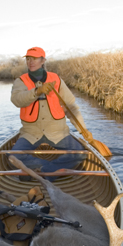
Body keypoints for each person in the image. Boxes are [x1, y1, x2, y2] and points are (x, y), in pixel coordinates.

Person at [10, 46, 92, 179]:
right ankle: (52, 171)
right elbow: (17, 100)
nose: (30, 62)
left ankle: (42, 171)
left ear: (43, 60)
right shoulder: (21, 81)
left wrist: (83, 130)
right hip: (31, 133)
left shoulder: (56, 79)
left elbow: (71, 107)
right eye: (28, 59)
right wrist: (37, 92)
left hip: (57, 132)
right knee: (13, 156)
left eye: (34, 59)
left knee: (80, 153)